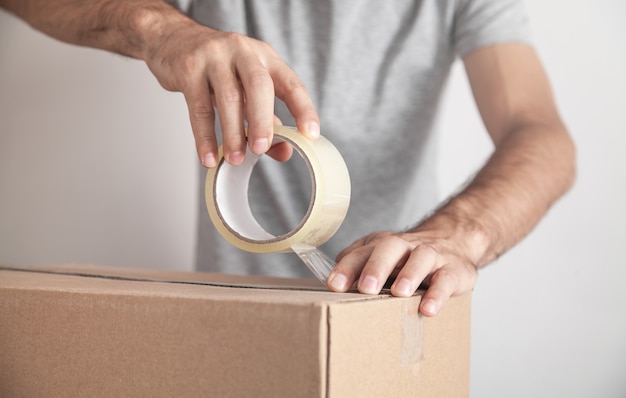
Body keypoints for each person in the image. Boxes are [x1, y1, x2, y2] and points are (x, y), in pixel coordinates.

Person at [0, 0, 576, 316]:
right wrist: (158, 28)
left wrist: (456, 237)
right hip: (227, 322)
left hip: (391, 308)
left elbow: (542, 135)